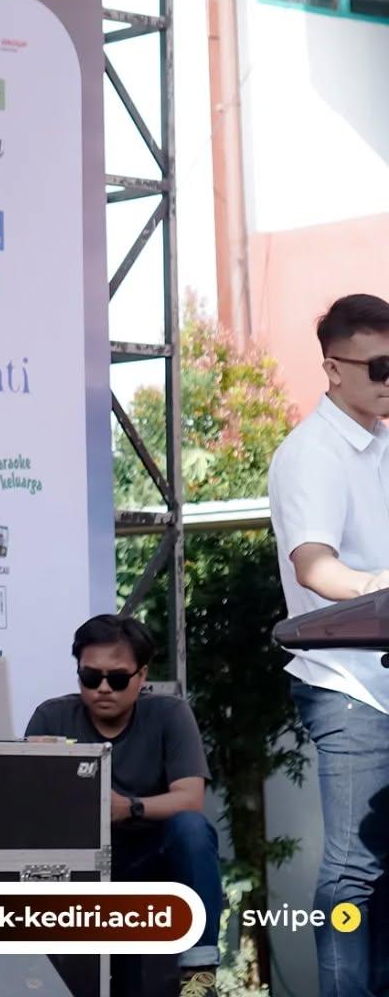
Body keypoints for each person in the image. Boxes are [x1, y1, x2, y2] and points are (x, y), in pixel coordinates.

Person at [268, 293, 389, 997]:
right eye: (380, 366)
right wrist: (379, 584)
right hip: (348, 686)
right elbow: (315, 567)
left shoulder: (381, 444)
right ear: (333, 369)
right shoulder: (311, 454)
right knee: (352, 871)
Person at [25, 614, 221, 993]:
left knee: (192, 830)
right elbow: (28, 803)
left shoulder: (170, 714)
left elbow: (190, 798)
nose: (103, 688)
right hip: (78, 866)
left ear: (141, 675)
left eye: (116, 679)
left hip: (149, 859)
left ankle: (199, 971)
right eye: (90, 677)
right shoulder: (52, 717)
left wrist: (128, 808)